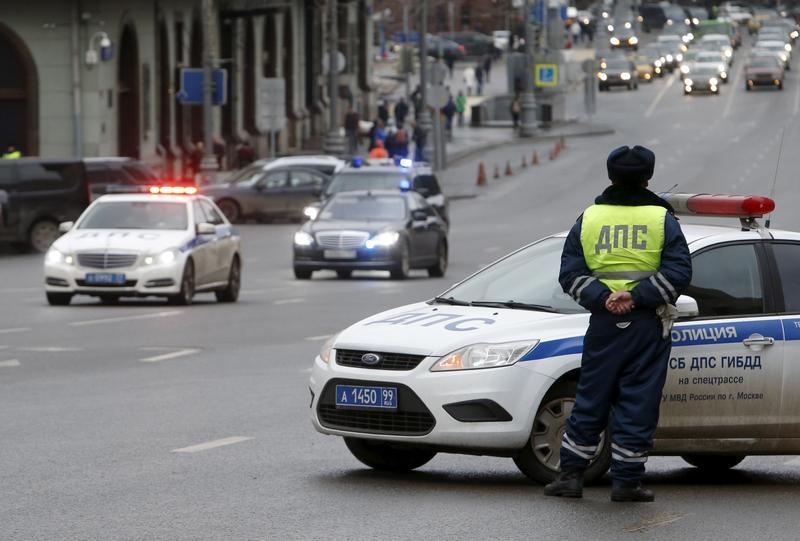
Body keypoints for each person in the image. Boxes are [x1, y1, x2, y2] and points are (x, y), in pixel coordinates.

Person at [545, 145, 692, 503]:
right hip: (645, 324)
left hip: (604, 324)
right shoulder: (662, 220)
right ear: (648, 178)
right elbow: (679, 272)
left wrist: (604, 298)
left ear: (610, 176)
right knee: (638, 401)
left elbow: (570, 273)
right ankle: (627, 483)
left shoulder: (590, 218)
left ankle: (570, 477)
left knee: (591, 396)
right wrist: (637, 296)